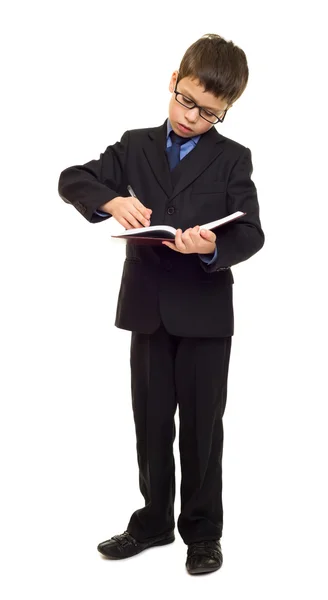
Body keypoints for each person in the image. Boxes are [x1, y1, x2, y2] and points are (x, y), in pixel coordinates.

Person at [58, 33, 265, 576]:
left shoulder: (233, 159)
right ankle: (152, 521)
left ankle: (202, 533)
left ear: (227, 112)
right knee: (150, 421)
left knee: (202, 426)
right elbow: (71, 178)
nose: (193, 117)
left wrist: (213, 245)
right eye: (187, 101)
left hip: (205, 315)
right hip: (148, 309)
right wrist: (111, 198)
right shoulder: (134, 145)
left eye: (210, 114)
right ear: (173, 81)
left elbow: (252, 233)